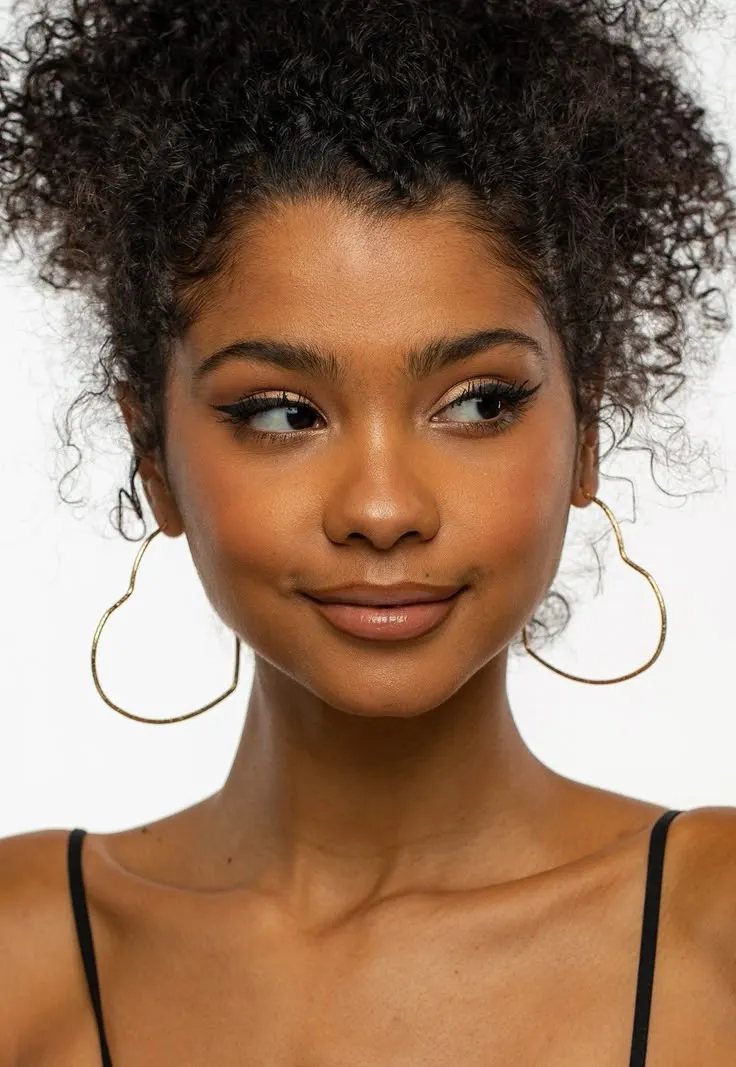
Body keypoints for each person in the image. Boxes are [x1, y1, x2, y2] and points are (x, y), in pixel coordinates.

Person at [1, 0, 735, 1061]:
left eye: (477, 401)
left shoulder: (710, 941)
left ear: (585, 432)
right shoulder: (31, 959)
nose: (382, 509)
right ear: (154, 458)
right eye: (282, 412)